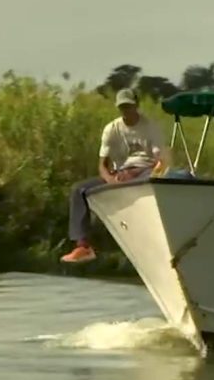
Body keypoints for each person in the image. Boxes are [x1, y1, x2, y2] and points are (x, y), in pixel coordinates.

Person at [60, 88, 164, 263]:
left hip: (145, 171)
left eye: (129, 106)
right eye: (122, 107)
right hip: (119, 174)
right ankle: (82, 246)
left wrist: (136, 172)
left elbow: (159, 160)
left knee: (152, 178)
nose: (126, 111)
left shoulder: (150, 127)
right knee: (78, 189)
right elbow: (102, 165)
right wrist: (110, 181)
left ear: (136, 105)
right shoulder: (112, 129)